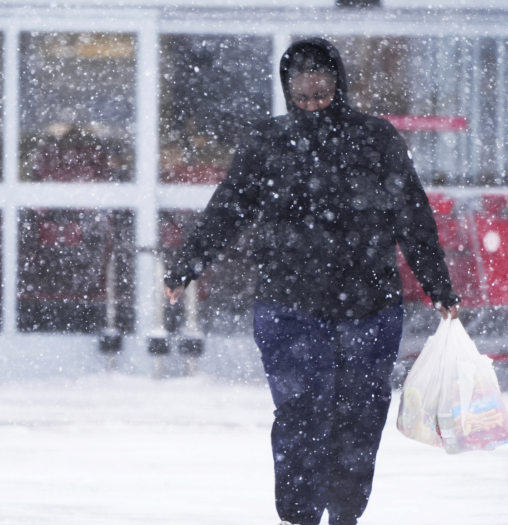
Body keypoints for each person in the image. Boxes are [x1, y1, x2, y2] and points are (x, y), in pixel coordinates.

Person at [163, 38, 460, 525]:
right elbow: (228, 209)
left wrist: (438, 286)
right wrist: (187, 265)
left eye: (321, 93)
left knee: (359, 419)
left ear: (339, 85)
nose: (313, 105)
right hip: (289, 305)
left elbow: (413, 216)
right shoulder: (267, 141)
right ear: (287, 91)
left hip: (369, 306)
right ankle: (300, 517)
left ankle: (345, 514)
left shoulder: (375, 138)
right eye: (301, 96)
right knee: (300, 417)